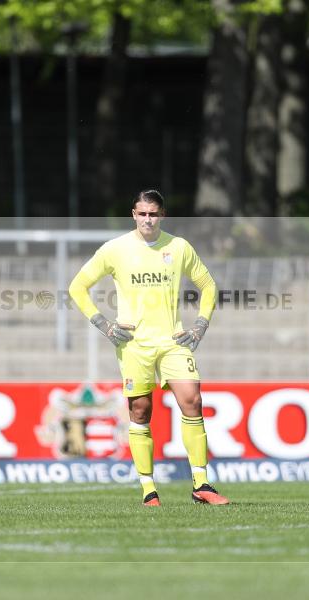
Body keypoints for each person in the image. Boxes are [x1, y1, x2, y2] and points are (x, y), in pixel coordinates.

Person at [68, 189, 229, 506]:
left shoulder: (178, 247)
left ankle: (202, 484)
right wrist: (104, 324)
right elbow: (77, 287)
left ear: (162, 215)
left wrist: (200, 325)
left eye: (153, 214)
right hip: (134, 344)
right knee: (140, 411)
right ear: (133, 215)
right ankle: (148, 490)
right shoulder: (115, 250)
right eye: (142, 213)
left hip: (173, 340)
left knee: (192, 400)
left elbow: (208, 286)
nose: (147, 219)